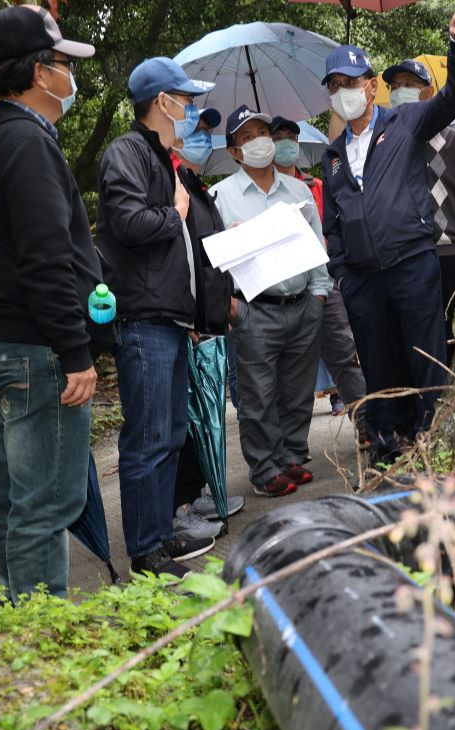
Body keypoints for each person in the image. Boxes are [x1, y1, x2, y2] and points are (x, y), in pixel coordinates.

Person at [0, 3, 110, 600]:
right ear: (40, 73)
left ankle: (17, 638)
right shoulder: (26, 142)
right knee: (47, 506)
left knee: (16, 501)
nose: (72, 76)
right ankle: (47, 648)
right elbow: (44, 259)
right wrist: (74, 350)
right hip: (35, 348)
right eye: (65, 63)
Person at [319, 12, 455, 462]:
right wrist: (343, 274)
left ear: (371, 86)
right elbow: (332, 223)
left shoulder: (405, 122)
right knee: (377, 362)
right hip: (363, 279)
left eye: (351, 83)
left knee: (425, 354)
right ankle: (387, 443)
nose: (344, 93)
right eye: (335, 86)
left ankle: (435, 440)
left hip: (411, 263)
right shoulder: (332, 157)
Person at [96, 57, 219, 581]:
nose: (190, 109)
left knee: (168, 433)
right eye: (185, 100)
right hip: (142, 319)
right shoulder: (126, 151)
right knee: (147, 438)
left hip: (167, 318)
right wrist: (176, 214)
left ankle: (162, 530)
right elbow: (125, 222)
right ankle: (145, 550)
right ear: (161, 102)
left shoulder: (164, 158)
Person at [209, 106, 331, 498]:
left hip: (302, 302)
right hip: (253, 311)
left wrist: (319, 293)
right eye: (247, 137)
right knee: (258, 395)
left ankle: (292, 454)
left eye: (263, 131)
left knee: (298, 388)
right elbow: (211, 258)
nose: (259, 141)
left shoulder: (298, 190)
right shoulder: (220, 197)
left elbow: (316, 241)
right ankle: (264, 468)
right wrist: (228, 305)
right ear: (234, 151)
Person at [169, 106, 247, 528]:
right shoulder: (170, 181)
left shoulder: (194, 183)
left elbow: (207, 249)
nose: (204, 137)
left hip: (211, 316)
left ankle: (199, 493)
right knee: (184, 421)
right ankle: (180, 506)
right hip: (190, 320)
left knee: (207, 415)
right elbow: (180, 257)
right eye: (196, 130)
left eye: (208, 131)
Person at [383, 58, 455, 365]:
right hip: (405, 256)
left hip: (450, 255)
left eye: (409, 85)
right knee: (413, 342)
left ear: (428, 93)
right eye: (396, 86)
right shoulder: (386, 141)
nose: (401, 91)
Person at [269, 116, 367, 435]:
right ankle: (291, 446)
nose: (286, 142)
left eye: (290, 137)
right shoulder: (260, 192)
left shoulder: (317, 187)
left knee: (345, 353)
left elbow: (335, 228)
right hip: (280, 289)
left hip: (324, 281)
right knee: (287, 370)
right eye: (278, 136)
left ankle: (368, 426)